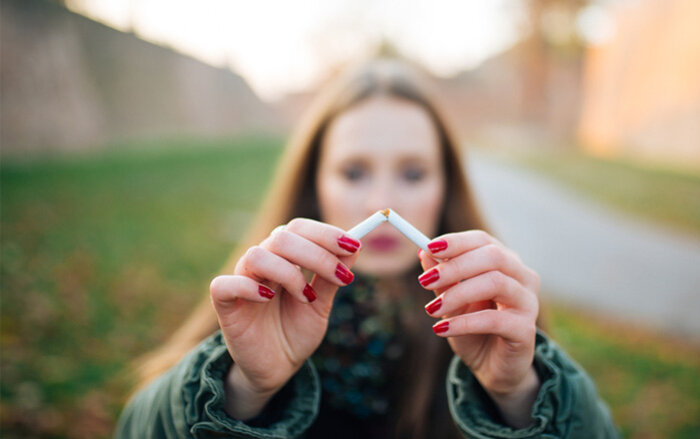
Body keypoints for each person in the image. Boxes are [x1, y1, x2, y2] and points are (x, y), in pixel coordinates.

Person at [114, 58, 619, 439]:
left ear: (446, 185)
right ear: (315, 184)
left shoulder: (489, 314)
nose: (382, 203)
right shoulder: (260, 303)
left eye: (413, 173)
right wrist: (241, 387)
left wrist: (520, 395)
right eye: (354, 172)